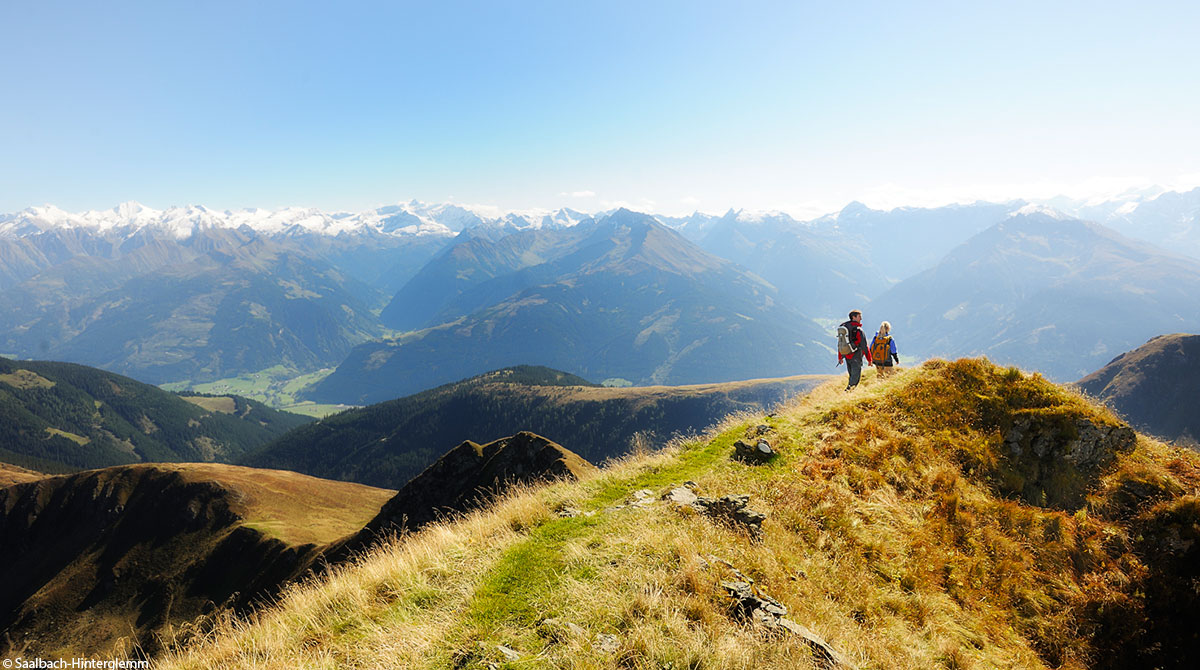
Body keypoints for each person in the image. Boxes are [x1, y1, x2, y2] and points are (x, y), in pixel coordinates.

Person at [838, 309, 872, 391]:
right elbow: (864, 346)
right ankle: (847, 393)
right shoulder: (858, 330)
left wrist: (840, 357)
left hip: (847, 355)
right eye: (859, 316)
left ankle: (849, 393)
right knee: (855, 378)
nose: (861, 319)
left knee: (852, 376)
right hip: (856, 356)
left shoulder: (845, 328)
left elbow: (840, 343)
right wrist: (869, 359)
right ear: (854, 317)